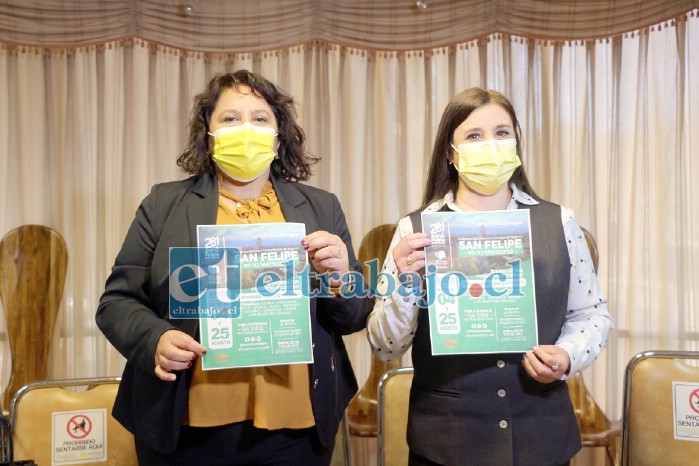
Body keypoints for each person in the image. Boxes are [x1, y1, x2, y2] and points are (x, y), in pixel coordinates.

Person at [96, 70, 367, 465]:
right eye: (230, 118)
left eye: (260, 119)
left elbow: (353, 315)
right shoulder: (164, 204)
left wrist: (340, 279)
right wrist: (154, 339)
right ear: (208, 133)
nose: (246, 128)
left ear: (278, 136)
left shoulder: (320, 206)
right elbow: (117, 302)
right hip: (186, 427)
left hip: (297, 428)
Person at [366, 87, 612, 466]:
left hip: (541, 436)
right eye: (473, 136)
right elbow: (385, 346)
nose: (490, 144)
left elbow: (592, 314)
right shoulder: (414, 230)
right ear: (451, 152)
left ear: (516, 144)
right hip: (446, 441)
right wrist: (404, 284)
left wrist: (567, 354)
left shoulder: (559, 222)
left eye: (501, 133)